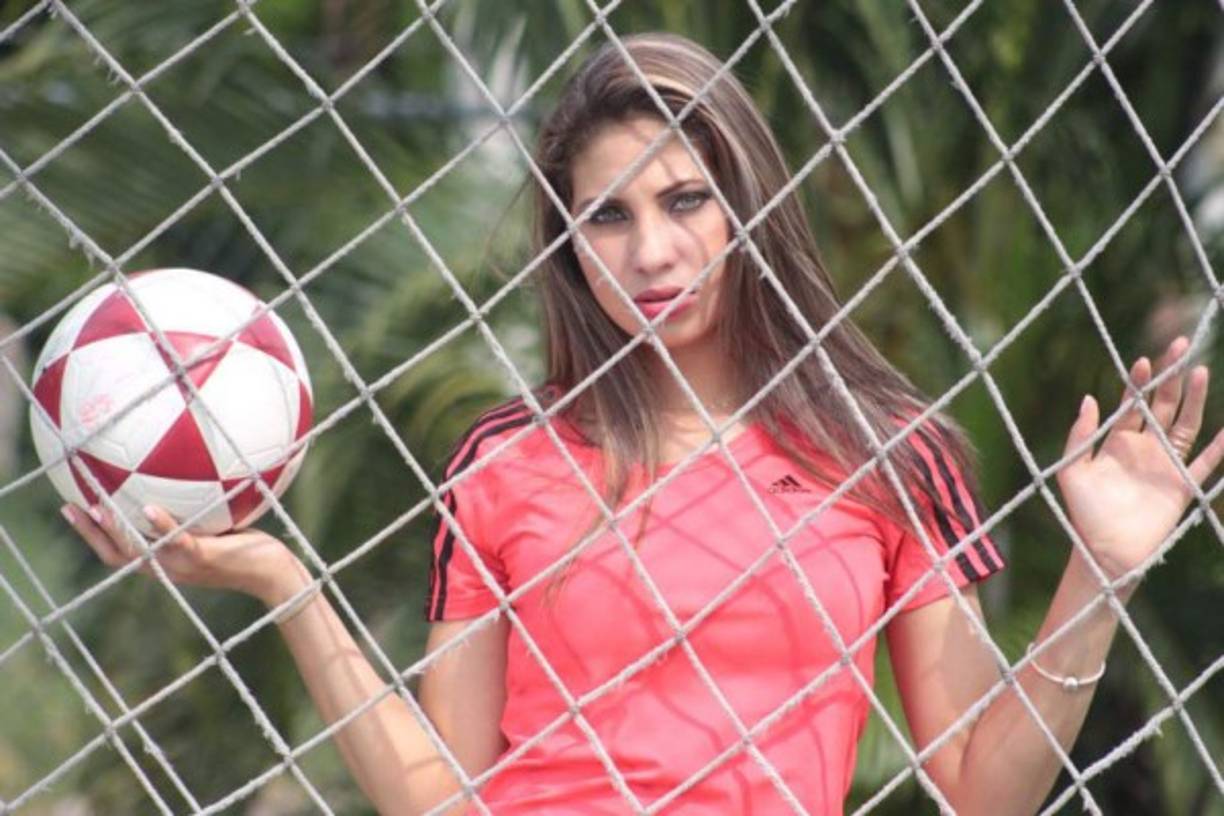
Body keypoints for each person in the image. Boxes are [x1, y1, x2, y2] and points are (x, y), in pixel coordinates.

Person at [65, 32, 1222, 816]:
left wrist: (1102, 574)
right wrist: (283, 581)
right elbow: (440, 796)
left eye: (685, 200)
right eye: (606, 217)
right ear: (569, 246)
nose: (652, 253)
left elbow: (980, 782)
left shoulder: (887, 453)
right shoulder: (507, 459)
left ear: (750, 205)